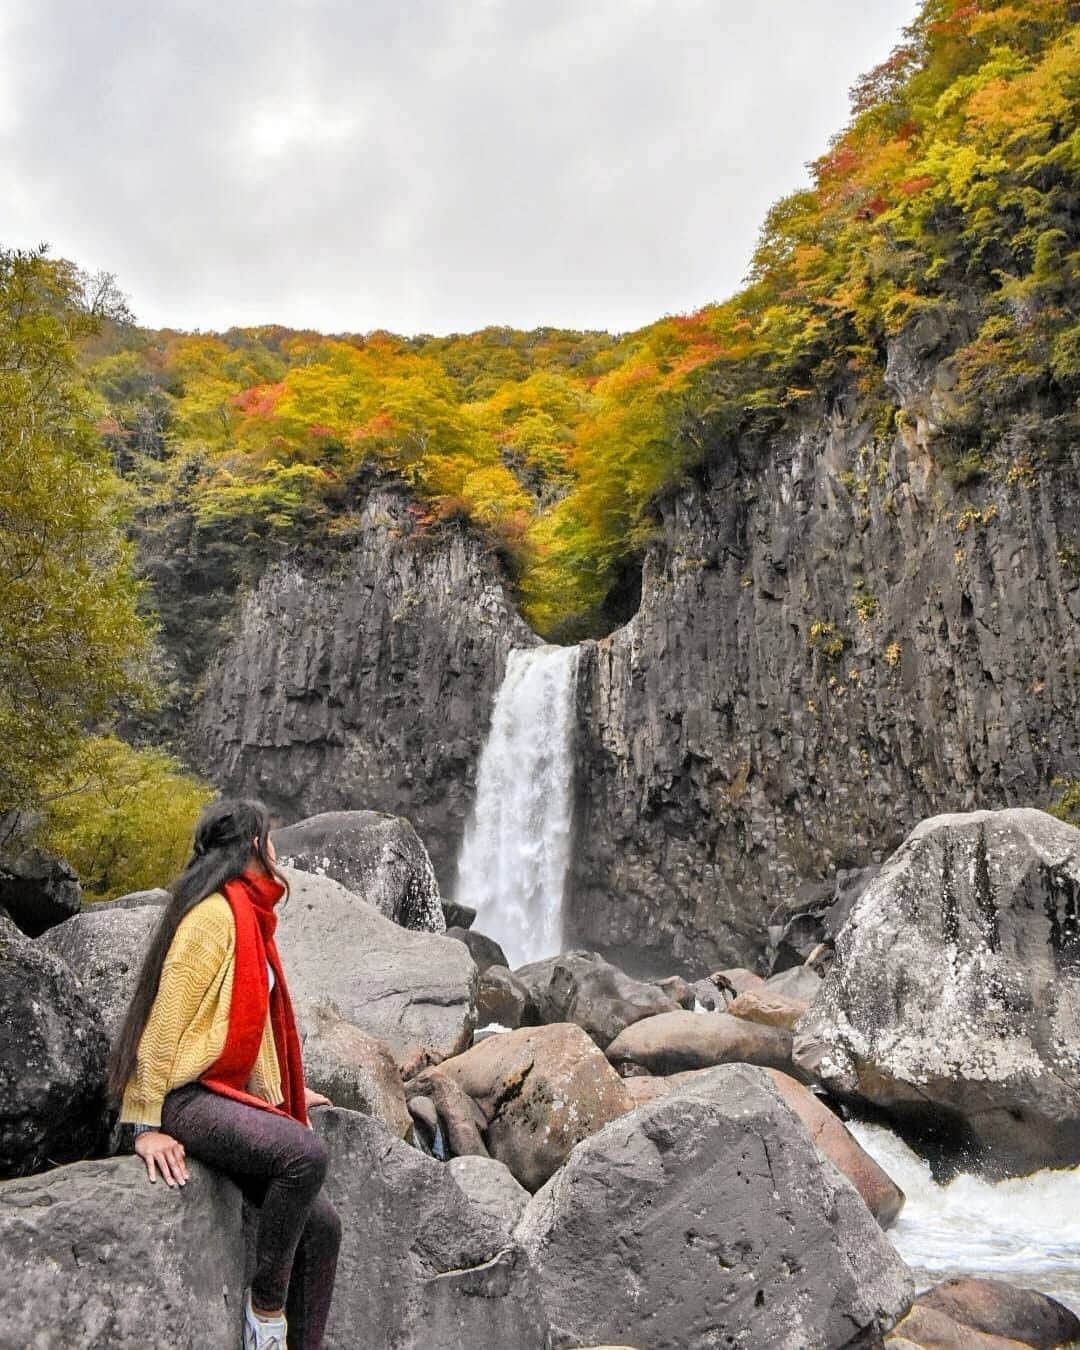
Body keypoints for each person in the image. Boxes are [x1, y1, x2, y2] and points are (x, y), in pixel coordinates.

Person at [108, 798, 341, 1350]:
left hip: (221, 1093)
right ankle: (265, 1317)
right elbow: (164, 1024)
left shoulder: (249, 916)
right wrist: (145, 1127)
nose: (278, 849)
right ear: (255, 846)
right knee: (304, 1155)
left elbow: (247, 1028)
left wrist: (282, 1098)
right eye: (271, 839)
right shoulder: (212, 917)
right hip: (183, 1097)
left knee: (324, 1227)